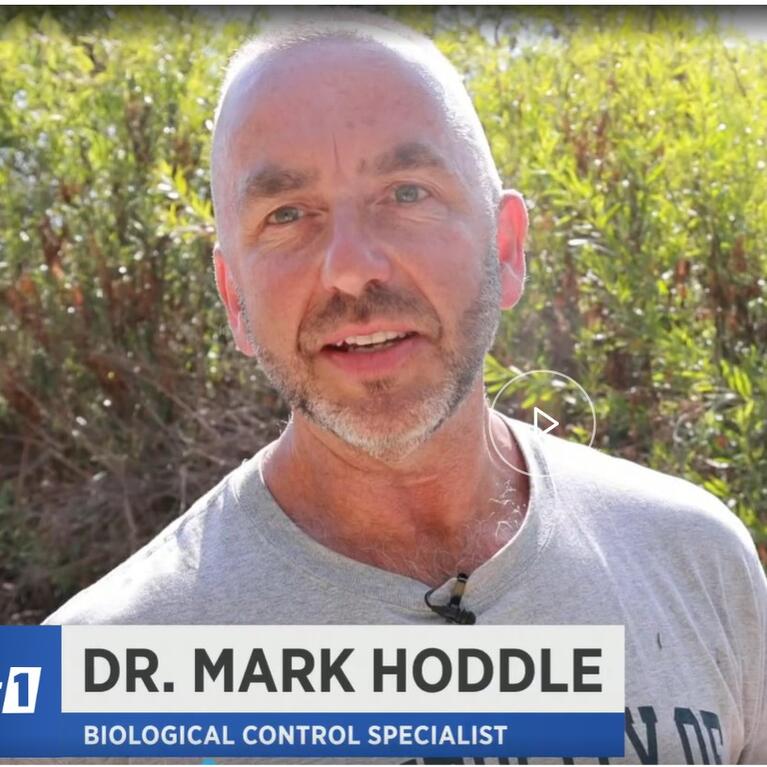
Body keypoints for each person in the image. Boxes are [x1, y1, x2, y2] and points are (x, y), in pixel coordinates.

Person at [46, 11, 767, 764]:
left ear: (506, 247)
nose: (352, 267)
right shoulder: (89, 689)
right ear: (234, 300)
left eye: (407, 193)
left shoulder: (696, 559)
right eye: (286, 214)